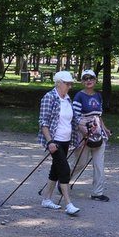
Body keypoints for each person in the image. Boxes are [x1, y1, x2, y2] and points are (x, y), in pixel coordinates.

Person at [38, 70, 82, 216]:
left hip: (66, 140)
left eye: (71, 84)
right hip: (54, 141)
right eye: (67, 83)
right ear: (59, 83)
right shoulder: (49, 97)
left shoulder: (67, 98)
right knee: (64, 170)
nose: (70, 86)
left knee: (55, 170)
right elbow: (43, 122)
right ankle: (69, 204)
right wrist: (50, 141)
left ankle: (46, 199)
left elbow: (74, 120)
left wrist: (87, 129)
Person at [70, 69, 112, 202]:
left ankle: (97, 193)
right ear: (82, 81)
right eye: (85, 78)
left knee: (99, 164)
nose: (88, 81)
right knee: (80, 163)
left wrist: (105, 129)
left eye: (91, 78)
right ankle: (63, 181)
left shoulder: (98, 96)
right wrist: (84, 133)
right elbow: (75, 118)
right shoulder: (79, 96)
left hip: (97, 133)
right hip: (83, 133)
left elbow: (98, 115)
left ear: (95, 80)